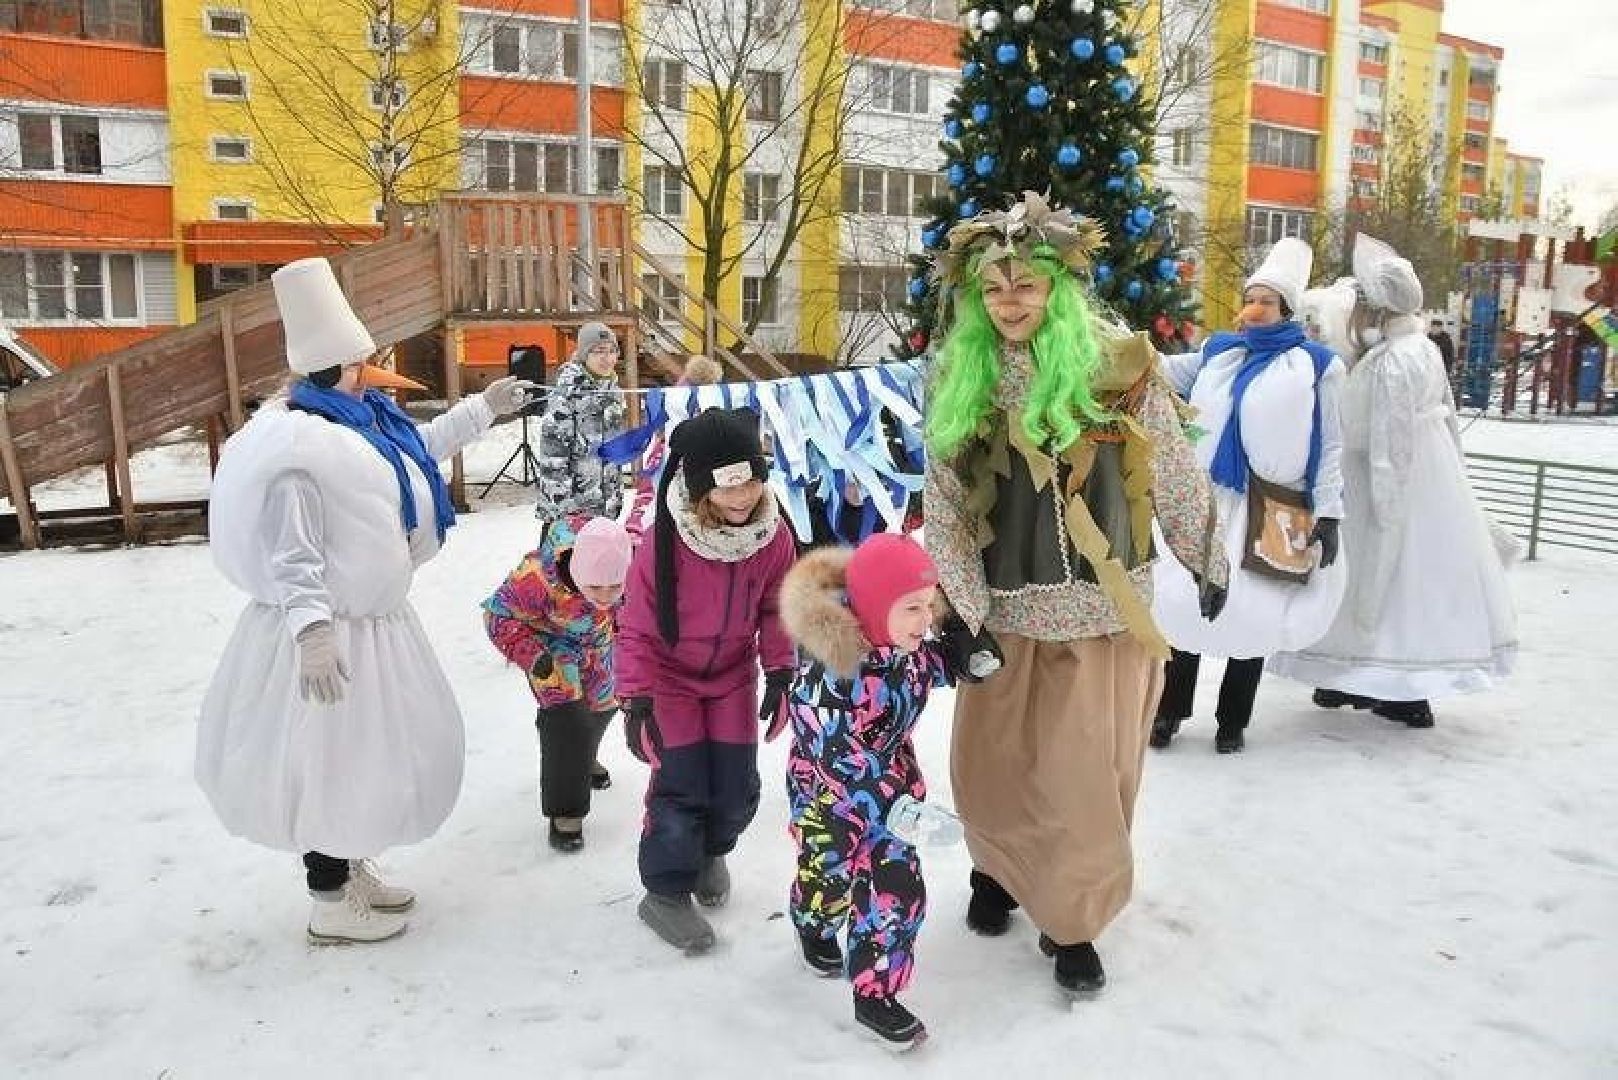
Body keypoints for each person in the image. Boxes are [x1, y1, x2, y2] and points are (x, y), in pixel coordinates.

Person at [922, 193, 1225, 995]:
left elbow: (1172, 466)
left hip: (1101, 620)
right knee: (994, 767)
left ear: (1057, 287)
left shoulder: (1119, 367)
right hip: (1006, 618)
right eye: (993, 288)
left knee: (1082, 781)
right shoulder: (963, 379)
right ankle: (997, 872)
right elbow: (945, 504)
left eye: (1025, 284)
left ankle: (1073, 918)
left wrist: (1206, 557)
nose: (1009, 300)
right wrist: (962, 610)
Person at [196, 257, 536, 944]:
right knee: (328, 760)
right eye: (359, 364)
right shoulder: (300, 451)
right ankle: (328, 897)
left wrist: (485, 409)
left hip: (375, 628)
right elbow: (293, 553)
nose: (371, 371)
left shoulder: (362, 419)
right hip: (330, 636)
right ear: (330, 372)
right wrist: (312, 632)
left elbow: (415, 453)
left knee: (368, 759)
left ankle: (350, 868)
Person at [1269, 234, 1517, 726]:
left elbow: (1389, 447)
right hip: (1422, 477)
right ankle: (1349, 677)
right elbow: (1444, 419)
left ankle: (1401, 688)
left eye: (1359, 305)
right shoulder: (1413, 348)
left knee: (1392, 580)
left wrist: (1385, 510)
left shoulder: (1393, 362)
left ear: (1377, 309)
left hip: (1388, 486)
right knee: (1382, 580)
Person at [778, 533, 995, 1050]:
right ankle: (812, 923)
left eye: (929, 605)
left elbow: (925, 668)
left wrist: (963, 658)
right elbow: (837, 757)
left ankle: (875, 995)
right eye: (912, 608)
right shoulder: (829, 674)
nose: (926, 619)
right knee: (827, 879)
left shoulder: (904, 649)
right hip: (828, 798)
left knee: (897, 889)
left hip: (894, 794)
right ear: (875, 606)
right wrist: (897, 805)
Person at [1151, 238, 1348, 754]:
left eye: (1267, 301)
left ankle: (1232, 721)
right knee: (1183, 604)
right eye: (1250, 299)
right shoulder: (1219, 353)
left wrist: (1329, 512)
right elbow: (1160, 370)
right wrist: (1112, 346)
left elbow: (1331, 443)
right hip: (1207, 502)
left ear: (1287, 310)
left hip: (1278, 504)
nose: (1255, 308)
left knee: (1257, 614)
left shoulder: (1316, 365)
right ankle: (1169, 712)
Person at [614, 406, 798, 954]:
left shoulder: (772, 536)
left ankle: (710, 850)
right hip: (670, 679)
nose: (742, 498)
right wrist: (636, 700)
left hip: (733, 675)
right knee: (682, 785)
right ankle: (666, 891)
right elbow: (636, 624)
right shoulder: (665, 541)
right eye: (726, 487)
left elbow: (776, 607)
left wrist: (781, 672)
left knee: (737, 787)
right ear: (699, 489)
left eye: (751, 482)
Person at [483, 515, 633, 851]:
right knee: (568, 719)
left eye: (615, 587)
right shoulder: (535, 579)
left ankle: (583, 757)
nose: (606, 595)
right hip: (549, 644)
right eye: (595, 587)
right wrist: (531, 655)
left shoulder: (632, 567)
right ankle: (567, 811)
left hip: (598, 638)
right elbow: (496, 615)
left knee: (606, 702)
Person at [534, 322, 629, 526]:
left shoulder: (614, 394)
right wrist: (564, 513)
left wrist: (615, 496)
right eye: (599, 351)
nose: (607, 358)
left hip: (605, 510)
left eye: (612, 351)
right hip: (571, 514)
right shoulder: (566, 396)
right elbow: (553, 458)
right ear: (584, 354)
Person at [625, 354, 724, 544]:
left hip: (670, 448)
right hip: (678, 450)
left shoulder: (680, 391)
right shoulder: (702, 396)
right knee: (666, 490)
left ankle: (642, 528)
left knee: (655, 490)